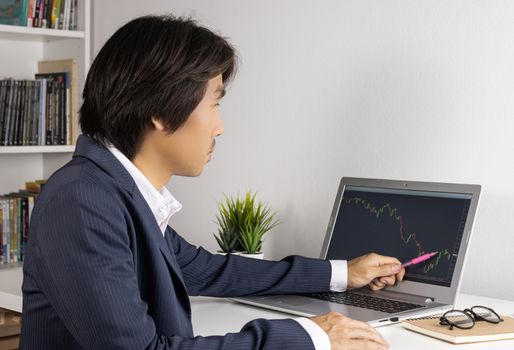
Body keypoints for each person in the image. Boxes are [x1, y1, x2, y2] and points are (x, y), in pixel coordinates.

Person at [20, 15, 405, 350]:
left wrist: (342, 273)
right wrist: (310, 337)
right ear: (159, 109)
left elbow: (209, 271)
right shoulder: (83, 200)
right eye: (214, 103)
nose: (219, 127)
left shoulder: (117, 194)